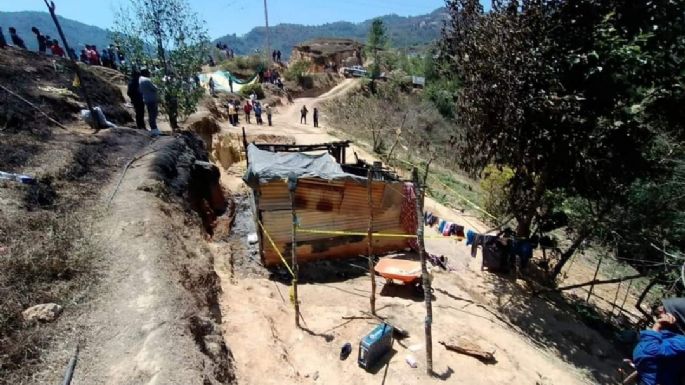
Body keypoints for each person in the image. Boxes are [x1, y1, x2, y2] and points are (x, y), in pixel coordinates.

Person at [633, 312, 685, 385]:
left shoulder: (682, 342)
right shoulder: (671, 335)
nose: (661, 315)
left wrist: (657, 326)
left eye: (665, 312)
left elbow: (647, 350)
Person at [139, 68, 160, 137]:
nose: (149, 74)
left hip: (147, 99)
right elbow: (155, 88)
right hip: (152, 99)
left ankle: (153, 129)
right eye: (148, 72)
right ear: (145, 73)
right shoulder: (147, 80)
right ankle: (154, 129)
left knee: (151, 114)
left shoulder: (140, 79)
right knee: (153, 114)